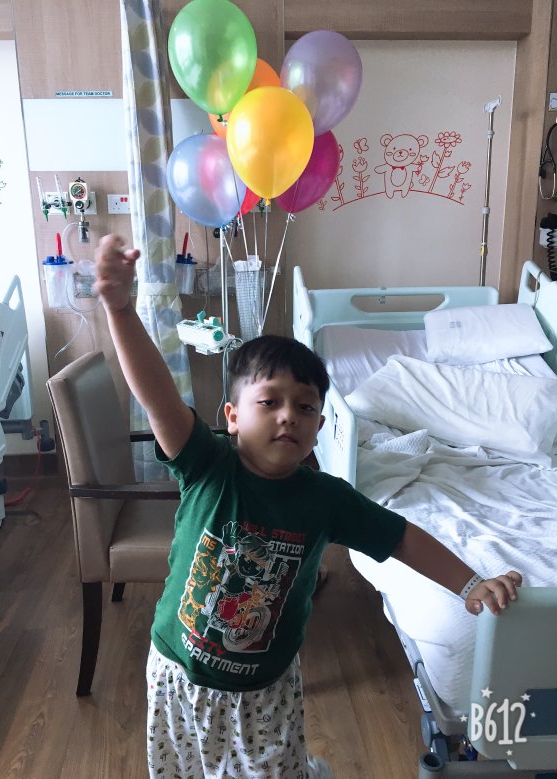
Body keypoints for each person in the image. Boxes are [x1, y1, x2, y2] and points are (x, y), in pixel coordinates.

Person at [94, 234, 522, 779]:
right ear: (231, 415)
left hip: (265, 689)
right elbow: (156, 395)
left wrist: (470, 583)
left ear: (320, 428)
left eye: (305, 407)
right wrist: (121, 309)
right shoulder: (207, 463)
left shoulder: (326, 499)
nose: (287, 416)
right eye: (268, 401)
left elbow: (402, 538)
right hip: (178, 674)